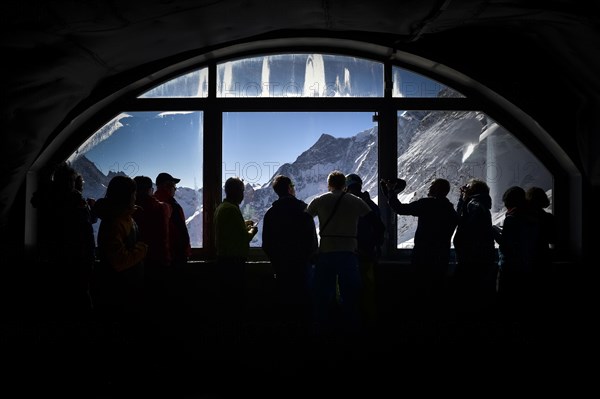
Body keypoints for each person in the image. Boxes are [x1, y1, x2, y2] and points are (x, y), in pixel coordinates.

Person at [306, 170, 373, 338]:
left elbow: (305, 221)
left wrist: (312, 248)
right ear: (344, 185)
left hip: (326, 252)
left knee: (322, 295)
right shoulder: (355, 201)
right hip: (349, 252)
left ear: (329, 184)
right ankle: (351, 332)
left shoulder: (319, 200)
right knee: (350, 295)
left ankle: (321, 331)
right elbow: (373, 221)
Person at [383, 178, 458, 320]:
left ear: (436, 190)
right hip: (442, 257)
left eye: (432, 186)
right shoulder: (450, 210)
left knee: (420, 290)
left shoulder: (426, 204)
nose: (429, 188)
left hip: (423, 256)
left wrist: (391, 192)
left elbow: (400, 209)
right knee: (437, 292)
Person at [30, 162, 96, 319]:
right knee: (80, 300)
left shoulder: (47, 199)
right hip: (77, 258)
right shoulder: (75, 201)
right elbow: (85, 226)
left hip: (54, 256)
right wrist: (89, 208)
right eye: (71, 181)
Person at [262, 175, 318, 333]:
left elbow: (267, 244)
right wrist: (309, 258)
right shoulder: (303, 211)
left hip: (282, 268)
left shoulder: (271, 214)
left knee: (285, 304)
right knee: (305, 305)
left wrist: (277, 261)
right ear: (289, 188)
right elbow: (312, 240)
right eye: (292, 185)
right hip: (303, 266)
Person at [92, 175, 148, 323]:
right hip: (119, 289)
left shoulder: (125, 217)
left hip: (128, 285)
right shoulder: (115, 222)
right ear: (126, 196)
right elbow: (119, 261)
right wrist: (142, 249)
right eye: (133, 194)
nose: (136, 197)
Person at [214, 177, 259, 334]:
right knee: (235, 301)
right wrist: (253, 230)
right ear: (236, 192)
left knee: (227, 300)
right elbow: (242, 238)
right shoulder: (232, 209)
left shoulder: (222, 207)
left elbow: (232, 231)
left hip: (224, 260)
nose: (243, 195)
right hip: (233, 262)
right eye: (242, 191)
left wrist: (243, 224)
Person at [493, 186, 542, 323]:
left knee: (505, 303)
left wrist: (493, 231)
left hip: (509, 267)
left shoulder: (512, 219)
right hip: (527, 266)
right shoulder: (533, 217)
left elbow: (506, 243)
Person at [344, 173, 385, 331]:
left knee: (350, 292)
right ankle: (370, 326)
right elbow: (380, 229)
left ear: (347, 187)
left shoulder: (349, 204)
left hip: (353, 255)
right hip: (369, 255)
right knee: (368, 291)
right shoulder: (371, 205)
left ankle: (352, 327)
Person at [452, 178, 497, 319]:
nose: (465, 187)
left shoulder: (474, 204)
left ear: (474, 190)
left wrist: (465, 238)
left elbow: (462, 220)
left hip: (471, 258)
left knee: (468, 294)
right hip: (478, 256)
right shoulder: (477, 202)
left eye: (468, 186)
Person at [133, 175, 171, 318]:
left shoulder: (129, 211)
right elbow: (167, 209)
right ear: (150, 190)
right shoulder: (161, 208)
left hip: (135, 265)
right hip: (158, 262)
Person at [154, 172, 191, 267]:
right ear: (167, 186)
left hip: (157, 257)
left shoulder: (153, 201)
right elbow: (180, 231)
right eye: (174, 186)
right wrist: (184, 253)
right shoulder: (172, 205)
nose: (175, 189)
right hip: (174, 257)